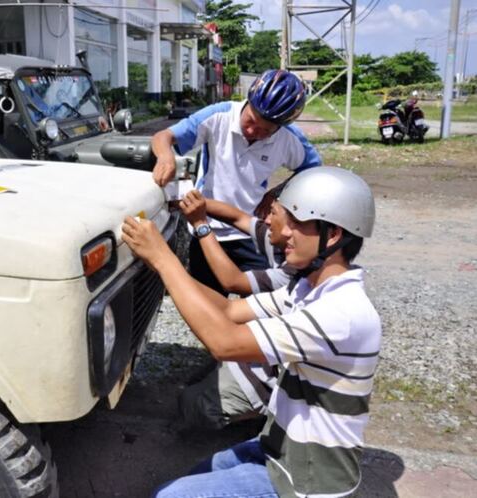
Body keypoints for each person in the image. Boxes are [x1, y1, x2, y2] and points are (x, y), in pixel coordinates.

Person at [122, 166, 380, 498]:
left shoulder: (341, 314)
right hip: (278, 447)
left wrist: (163, 259)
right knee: (197, 473)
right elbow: (229, 309)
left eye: (296, 223)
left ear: (332, 236)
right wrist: (166, 272)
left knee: (168, 496)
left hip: (307, 481)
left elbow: (224, 343)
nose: (282, 230)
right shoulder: (305, 290)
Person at [151, 69, 321, 290]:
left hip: (252, 232)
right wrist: (166, 156)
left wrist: (277, 194)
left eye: (264, 131)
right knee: (209, 307)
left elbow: (313, 172)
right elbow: (163, 136)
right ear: (247, 102)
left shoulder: (290, 139)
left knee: (259, 310)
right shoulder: (218, 116)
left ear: (280, 127)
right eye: (250, 120)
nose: (252, 130)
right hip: (206, 227)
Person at [177, 188, 295, 429]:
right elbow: (239, 218)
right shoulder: (287, 245)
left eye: (273, 213)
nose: (266, 219)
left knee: (190, 407)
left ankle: (265, 415)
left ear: (294, 224)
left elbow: (232, 282)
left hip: (271, 375)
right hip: (266, 353)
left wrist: (200, 224)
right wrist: (193, 203)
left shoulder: (294, 275)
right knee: (193, 383)